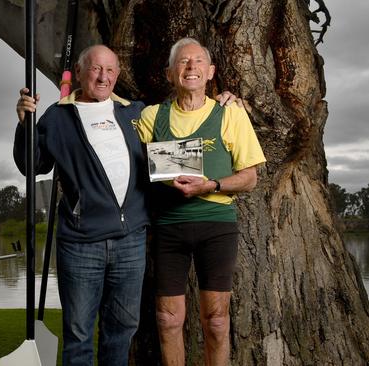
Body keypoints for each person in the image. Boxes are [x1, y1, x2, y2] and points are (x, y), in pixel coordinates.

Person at [14, 44, 149, 366]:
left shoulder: (137, 112)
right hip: (80, 242)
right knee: (78, 333)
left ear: (118, 74)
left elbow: (183, 124)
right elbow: (32, 166)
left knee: (123, 330)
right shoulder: (58, 117)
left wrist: (226, 104)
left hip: (131, 240)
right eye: (96, 69)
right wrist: (24, 126)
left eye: (111, 70)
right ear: (79, 71)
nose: (104, 77)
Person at [134, 37, 266, 365]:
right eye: (183, 61)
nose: (191, 67)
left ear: (210, 72)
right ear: (169, 73)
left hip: (216, 225)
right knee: (167, 319)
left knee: (217, 321)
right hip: (168, 226)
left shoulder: (230, 113)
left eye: (197, 62)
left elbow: (250, 178)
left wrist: (211, 185)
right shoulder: (151, 117)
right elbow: (123, 151)